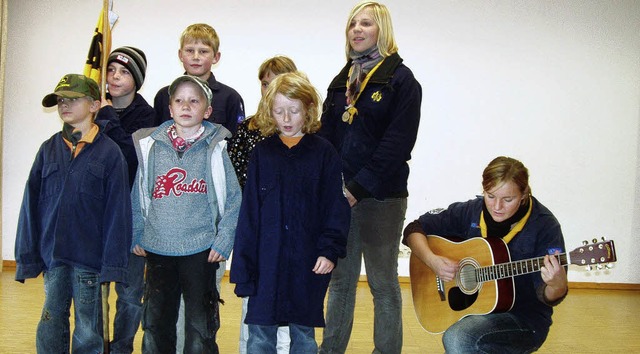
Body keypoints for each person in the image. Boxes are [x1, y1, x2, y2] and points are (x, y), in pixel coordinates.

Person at [318, 2, 422, 353]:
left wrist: (357, 188)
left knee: (382, 283)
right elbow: (327, 139)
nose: (357, 30)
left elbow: (397, 145)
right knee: (341, 282)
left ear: (382, 30)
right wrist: (330, 186)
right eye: (352, 24)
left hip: (382, 198)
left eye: (366, 24)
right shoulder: (342, 79)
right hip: (340, 197)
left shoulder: (402, 81)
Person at [230, 71, 351, 354]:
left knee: (304, 337)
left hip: (307, 263)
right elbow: (250, 214)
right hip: (265, 265)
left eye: (293, 111)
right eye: (279, 111)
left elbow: (335, 207)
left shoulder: (324, 153)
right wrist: (244, 266)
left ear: (308, 110)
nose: (286, 119)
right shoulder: (262, 153)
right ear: (269, 111)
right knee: (259, 337)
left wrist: (329, 250)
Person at [14, 73, 132, 353]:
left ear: (94, 105)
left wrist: (113, 263)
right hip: (54, 256)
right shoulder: (48, 150)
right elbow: (30, 205)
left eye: (73, 99)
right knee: (51, 321)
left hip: (89, 260)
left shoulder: (110, 153)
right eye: (60, 100)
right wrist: (27, 256)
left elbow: (119, 213)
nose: (64, 105)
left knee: (89, 329)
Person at [403, 156, 569, 353]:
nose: (497, 207)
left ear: (524, 194)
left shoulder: (544, 226)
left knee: (458, 339)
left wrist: (557, 284)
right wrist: (433, 261)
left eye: (508, 199)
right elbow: (414, 229)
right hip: (481, 312)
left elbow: (548, 296)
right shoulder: (471, 211)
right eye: (490, 196)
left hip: (524, 320)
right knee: (461, 336)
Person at [131, 75, 241, 353]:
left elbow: (233, 199)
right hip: (158, 248)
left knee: (200, 326)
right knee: (156, 324)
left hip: (201, 250)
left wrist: (224, 239)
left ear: (207, 111)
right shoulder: (150, 146)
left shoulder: (216, 148)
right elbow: (139, 195)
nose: (186, 106)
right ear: (170, 109)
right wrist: (137, 233)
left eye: (194, 101)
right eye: (179, 100)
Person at [227, 55, 297, 353]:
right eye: (266, 84)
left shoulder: (308, 137)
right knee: (252, 313)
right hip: (257, 234)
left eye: (278, 85)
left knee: (290, 316)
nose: (270, 91)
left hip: (293, 237)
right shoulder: (247, 131)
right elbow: (236, 184)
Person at [94, 46, 155, 354]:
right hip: (98, 216)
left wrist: (106, 115)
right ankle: (97, 346)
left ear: (137, 79)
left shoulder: (148, 116)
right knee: (94, 291)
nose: (115, 77)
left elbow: (130, 157)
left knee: (130, 294)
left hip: (132, 216)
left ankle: (121, 348)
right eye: (111, 70)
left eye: (124, 72)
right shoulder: (90, 108)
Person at [153, 23, 245, 135]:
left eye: (203, 51)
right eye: (190, 51)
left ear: (216, 57)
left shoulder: (230, 97)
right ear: (180, 55)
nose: (196, 57)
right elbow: (156, 138)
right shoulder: (164, 96)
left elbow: (236, 142)